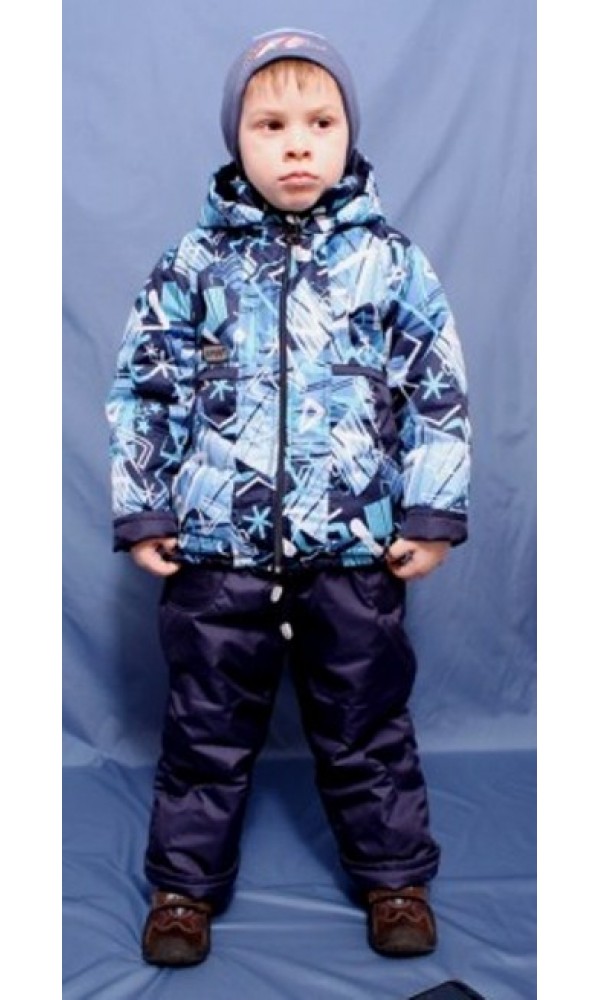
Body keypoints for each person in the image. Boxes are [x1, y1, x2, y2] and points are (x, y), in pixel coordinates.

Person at [106, 27, 471, 968]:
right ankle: (183, 891)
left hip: (353, 552)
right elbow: (145, 393)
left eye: (320, 123)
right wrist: (147, 508)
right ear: (237, 138)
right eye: (270, 125)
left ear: (350, 134)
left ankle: (395, 879)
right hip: (217, 554)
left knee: (367, 725)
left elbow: (435, 392)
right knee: (204, 728)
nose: (297, 145)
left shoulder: (391, 263)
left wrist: (430, 515)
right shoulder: (192, 265)